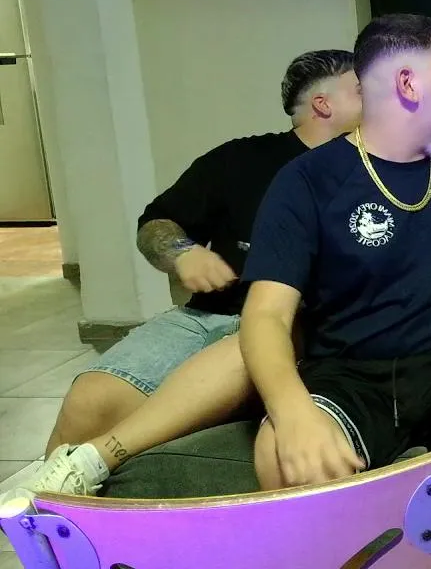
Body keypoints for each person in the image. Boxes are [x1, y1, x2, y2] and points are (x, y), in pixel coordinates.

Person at [239, 14, 431, 569]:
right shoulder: (309, 180)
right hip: (352, 369)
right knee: (278, 449)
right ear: (408, 83)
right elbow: (265, 315)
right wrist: (292, 411)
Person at [4, 50, 361, 499]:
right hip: (203, 317)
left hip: (286, 324)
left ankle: (100, 460)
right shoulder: (239, 159)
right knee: (90, 399)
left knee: (252, 343)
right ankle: (45, 519)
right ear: (323, 104)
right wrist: (183, 252)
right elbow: (156, 223)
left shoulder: (370, 169)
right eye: (360, 88)